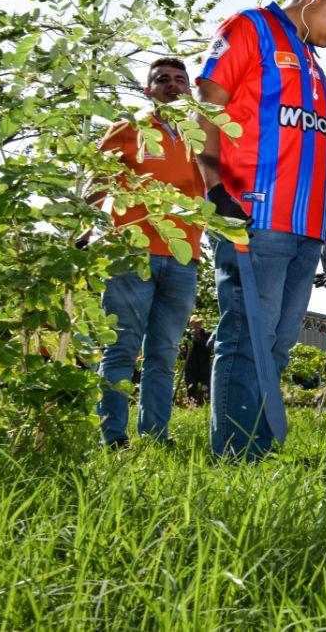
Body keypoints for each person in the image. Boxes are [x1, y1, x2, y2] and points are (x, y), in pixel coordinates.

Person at [195, 0, 326, 460]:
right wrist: (214, 188)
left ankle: (257, 451)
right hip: (252, 216)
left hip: (303, 231)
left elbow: (310, 148)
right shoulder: (251, 28)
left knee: (277, 346)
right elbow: (206, 104)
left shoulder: (315, 68)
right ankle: (236, 459)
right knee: (245, 338)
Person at [91, 57, 205, 447]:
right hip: (131, 255)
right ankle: (113, 438)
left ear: (190, 89)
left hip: (184, 259)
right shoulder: (128, 130)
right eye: (162, 80)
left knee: (164, 352)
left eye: (180, 80)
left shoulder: (202, 137)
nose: (173, 86)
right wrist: (80, 230)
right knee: (121, 346)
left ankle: (156, 436)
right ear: (147, 90)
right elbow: (96, 184)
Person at [183, 316, 212, 404]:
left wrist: (199, 338)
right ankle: (191, 405)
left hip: (204, 366)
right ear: (191, 324)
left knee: (206, 387)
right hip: (191, 366)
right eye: (195, 323)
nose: (197, 325)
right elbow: (184, 353)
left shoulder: (207, 334)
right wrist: (183, 349)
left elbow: (209, 348)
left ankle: (206, 404)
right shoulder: (187, 337)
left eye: (199, 323)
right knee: (191, 387)